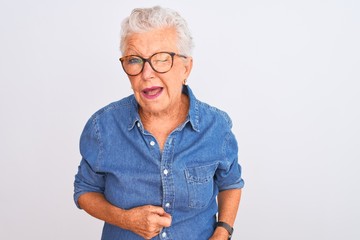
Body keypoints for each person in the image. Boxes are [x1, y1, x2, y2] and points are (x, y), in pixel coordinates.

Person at [74, 6, 244, 240]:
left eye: (162, 59)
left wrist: (223, 232)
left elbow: (231, 183)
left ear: (186, 67)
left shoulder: (216, 127)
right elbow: (84, 191)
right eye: (135, 60)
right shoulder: (102, 127)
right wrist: (125, 219)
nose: (147, 74)